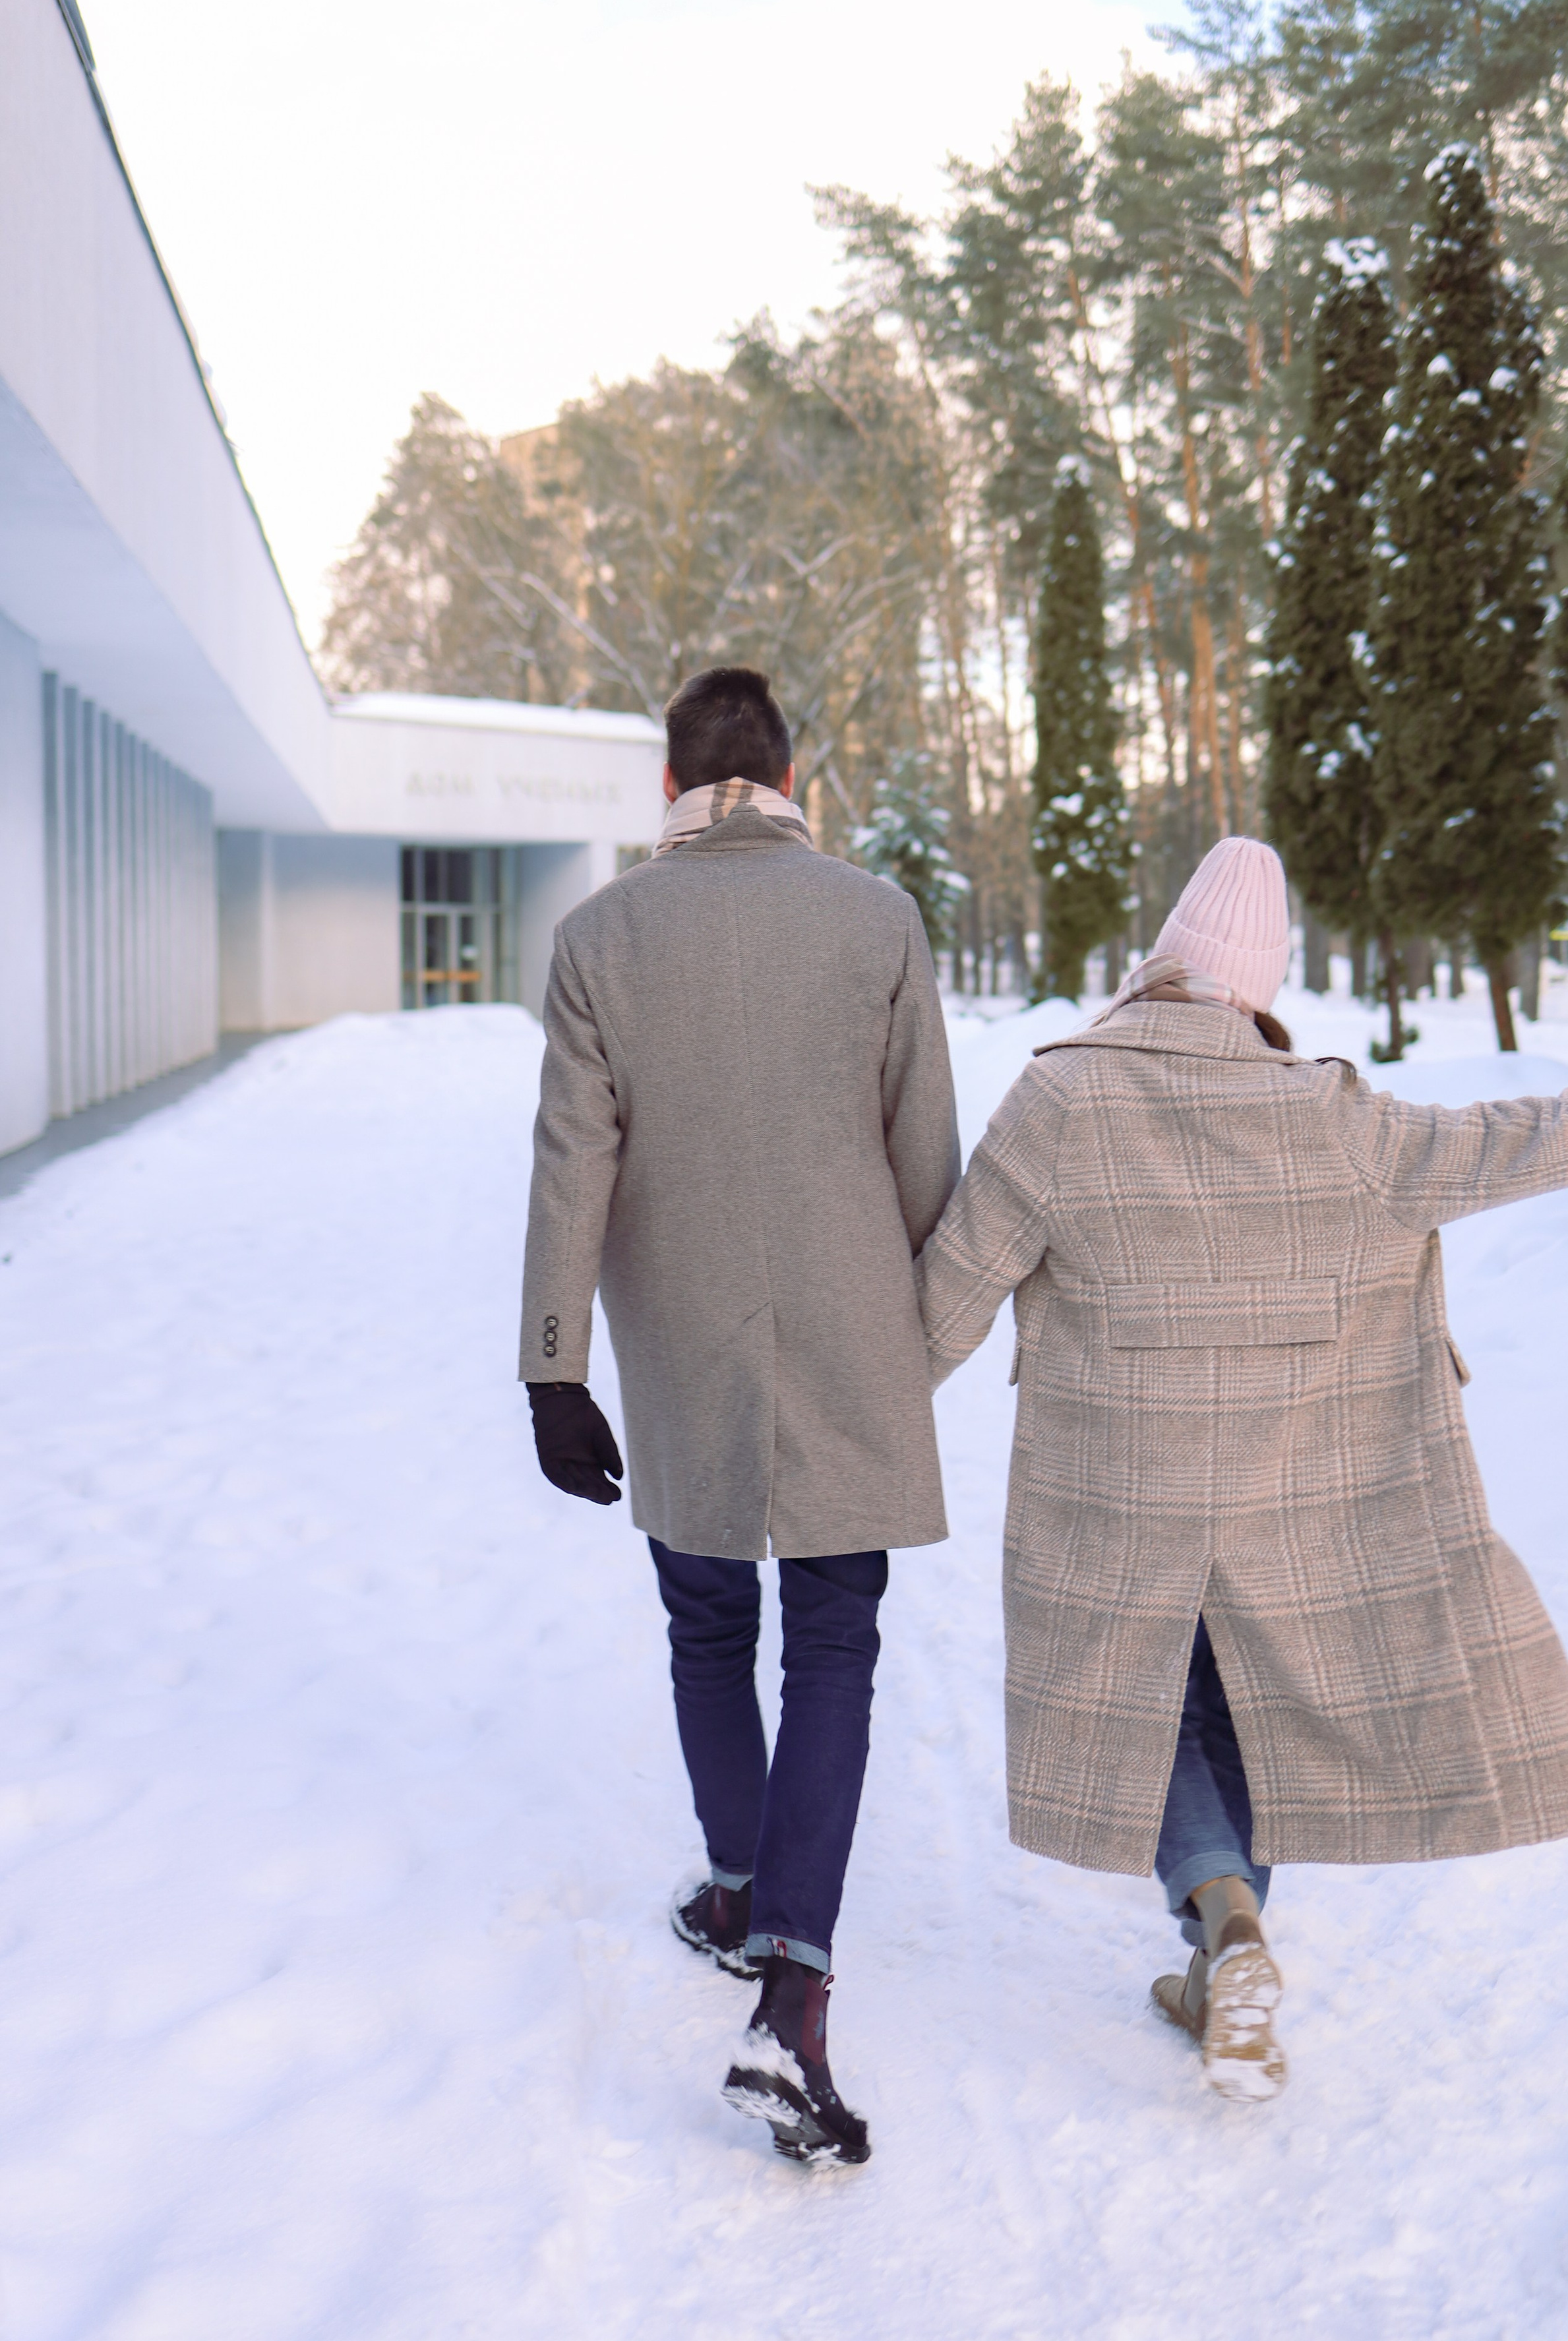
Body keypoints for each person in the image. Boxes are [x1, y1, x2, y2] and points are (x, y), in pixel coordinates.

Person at [916, 836, 1568, 2102]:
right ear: (1261, 989)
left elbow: (937, 1311)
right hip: (1291, 1492)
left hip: (1115, 1492)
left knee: (1153, 1701)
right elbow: (1567, 1132)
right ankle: (1230, 1944)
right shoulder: (1342, 1123)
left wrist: (805, 1445)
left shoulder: (1060, 1101)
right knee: (1241, 1701)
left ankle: (1223, 1922)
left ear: (1157, 962)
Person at [519, 665, 959, 2167]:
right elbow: (925, 1163)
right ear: (787, 775)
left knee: (707, 1626)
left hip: (680, 1349)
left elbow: (572, 1160)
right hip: (850, 1336)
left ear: (667, 789)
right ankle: (793, 1982)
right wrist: (926, 1345)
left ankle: (731, 1885)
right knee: (834, 1639)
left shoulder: (597, 940)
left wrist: (551, 1368)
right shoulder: (877, 915)